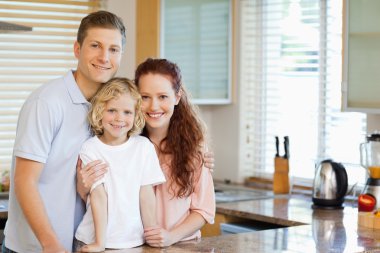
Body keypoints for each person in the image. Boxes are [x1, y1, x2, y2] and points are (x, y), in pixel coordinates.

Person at [3, 11, 126, 253]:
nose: (104, 57)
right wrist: (50, 245)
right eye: (95, 46)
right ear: (77, 49)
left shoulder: (111, 109)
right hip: (37, 248)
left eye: (114, 49)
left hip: (80, 245)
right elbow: (24, 181)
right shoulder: (47, 103)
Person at [74, 77, 165, 252]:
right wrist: (100, 243)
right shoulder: (90, 148)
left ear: (136, 115)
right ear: (100, 111)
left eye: (127, 112)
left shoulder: (143, 147)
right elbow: (98, 197)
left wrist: (151, 232)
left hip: (134, 241)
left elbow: (146, 194)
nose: (119, 118)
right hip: (93, 239)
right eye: (112, 110)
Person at [135, 58, 216, 247]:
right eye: (145, 97)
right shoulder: (127, 145)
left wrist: (171, 236)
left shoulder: (194, 147)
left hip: (183, 246)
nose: (153, 106)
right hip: (135, 246)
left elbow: (203, 210)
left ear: (177, 97)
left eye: (162, 96)